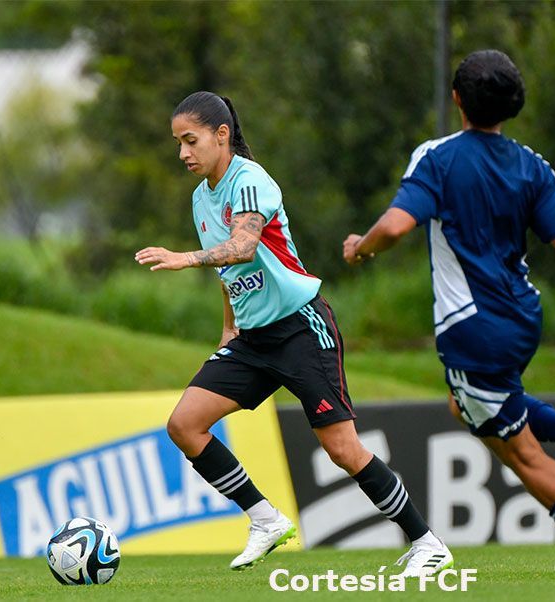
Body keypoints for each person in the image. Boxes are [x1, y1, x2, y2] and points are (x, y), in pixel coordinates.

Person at [343, 50, 555, 583]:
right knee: (465, 403)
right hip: (521, 318)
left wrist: (361, 248)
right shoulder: (533, 166)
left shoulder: (437, 158)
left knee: (523, 456)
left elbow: (394, 228)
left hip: (471, 327)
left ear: (457, 99)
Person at [135, 91, 452, 575]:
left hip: (300, 328)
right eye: (178, 143)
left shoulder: (249, 178)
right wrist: (227, 330)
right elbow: (231, 274)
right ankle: (265, 520)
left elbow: (242, 247)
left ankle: (427, 542)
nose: (182, 153)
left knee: (342, 449)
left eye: (190, 140)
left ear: (222, 136)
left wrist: (185, 259)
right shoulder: (201, 197)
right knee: (184, 425)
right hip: (253, 339)